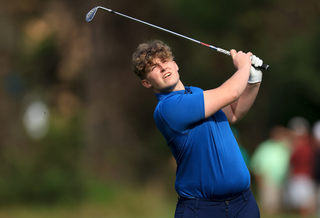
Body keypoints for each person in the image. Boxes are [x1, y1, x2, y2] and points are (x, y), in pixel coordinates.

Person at [132, 40, 263, 218]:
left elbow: (232, 112)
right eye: (153, 67)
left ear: (175, 65)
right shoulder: (168, 108)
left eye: (164, 60)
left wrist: (253, 81)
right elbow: (231, 92)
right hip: (202, 209)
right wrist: (243, 67)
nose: (162, 67)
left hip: (243, 204)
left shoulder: (195, 92)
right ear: (147, 83)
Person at [250, 125, 292, 216]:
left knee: (280, 209)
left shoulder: (285, 146)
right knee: (270, 208)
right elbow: (257, 166)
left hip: (284, 182)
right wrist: (261, 183)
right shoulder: (265, 147)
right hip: (269, 182)